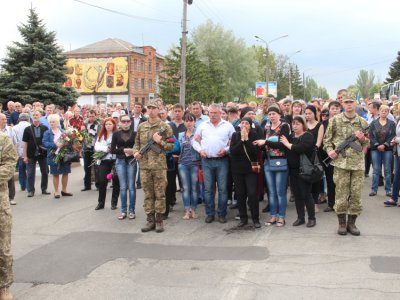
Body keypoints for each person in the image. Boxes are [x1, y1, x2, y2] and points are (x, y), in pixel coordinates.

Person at [323, 94, 369, 236]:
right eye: (346, 102)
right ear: (343, 104)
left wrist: (362, 140)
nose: (349, 104)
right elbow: (327, 141)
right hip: (341, 164)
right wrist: (330, 151)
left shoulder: (362, 122)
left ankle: (352, 223)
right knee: (341, 194)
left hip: (357, 164)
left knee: (355, 195)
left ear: (355, 103)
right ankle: (342, 223)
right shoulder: (335, 121)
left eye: (351, 102)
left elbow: (367, 144)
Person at [133, 99, 174, 233]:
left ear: (159, 110)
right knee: (148, 194)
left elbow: (171, 146)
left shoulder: (165, 127)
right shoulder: (141, 126)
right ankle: (150, 220)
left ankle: (159, 220)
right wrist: (136, 153)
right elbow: (136, 144)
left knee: (160, 194)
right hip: (145, 166)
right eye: (149, 108)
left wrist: (160, 141)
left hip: (159, 166)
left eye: (154, 108)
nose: (151, 110)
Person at [192, 104, 235, 224]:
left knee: (222, 189)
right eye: (211, 113)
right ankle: (210, 213)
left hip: (222, 161)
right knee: (208, 189)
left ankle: (222, 213)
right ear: (208, 113)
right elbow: (194, 141)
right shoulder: (202, 125)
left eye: (215, 113)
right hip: (206, 161)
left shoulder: (228, 126)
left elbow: (234, 141)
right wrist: (200, 150)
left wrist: (226, 149)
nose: (213, 115)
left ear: (220, 113)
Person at [254, 106, 290, 227]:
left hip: (280, 161)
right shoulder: (266, 127)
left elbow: (282, 145)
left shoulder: (284, 126)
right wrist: (260, 144)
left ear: (279, 115)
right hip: (268, 162)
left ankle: (281, 217)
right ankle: (273, 216)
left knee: (280, 192)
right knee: (271, 192)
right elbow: (265, 145)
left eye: (274, 114)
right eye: (269, 114)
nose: (271, 116)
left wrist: (266, 142)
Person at [280, 116, 316, 227]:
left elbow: (300, 148)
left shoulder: (308, 136)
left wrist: (287, 144)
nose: (294, 126)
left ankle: (311, 218)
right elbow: (280, 145)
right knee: (297, 195)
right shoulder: (290, 136)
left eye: (297, 124)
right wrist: (266, 141)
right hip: (293, 170)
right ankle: (300, 218)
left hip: (305, 170)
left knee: (306, 194)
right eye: (293, 123)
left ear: (303, 125)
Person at [230, 117, 261, 228]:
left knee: (252, 194)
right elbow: (233, 152)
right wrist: (241, 141)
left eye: (246, 123)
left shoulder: (254, 135)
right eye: (242, 123)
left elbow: (255, 152)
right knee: (240, 194)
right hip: (237, 169)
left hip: (250, 169)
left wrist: (247, 140)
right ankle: (243, 218)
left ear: (250, 125)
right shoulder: (235, 135)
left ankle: (255, 218)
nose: (244, 125)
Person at [0, 131, 18, 300]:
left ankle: (4, 286)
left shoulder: (3, 139)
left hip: (0, 205)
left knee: (2, 249)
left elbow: (10, 165)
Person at [111, 114, 137, 219]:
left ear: (130, 122)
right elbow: (112, 150)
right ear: (120, 122)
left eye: (127, 121)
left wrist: (133, 151)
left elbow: (139, 147)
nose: (126, 123)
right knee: (122, 187)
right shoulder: (116, 134)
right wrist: (124, 150)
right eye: (123, 121)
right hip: (120, 161)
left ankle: (131, 210)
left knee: (131, 187)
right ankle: (123, 211)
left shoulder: (135, 134)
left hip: (131, 161)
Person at [368, 105, 396, 197]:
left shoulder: (392, 123)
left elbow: (392, 135)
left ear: (388, 113)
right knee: (376, 170)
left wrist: (384, 145)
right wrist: (377, 145)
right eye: (382, 111)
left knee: (387, 170)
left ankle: (388, 190)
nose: (383, 112)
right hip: (375, 149)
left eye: (386, 111)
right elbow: (371, 136)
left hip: (387, 149)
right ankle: (374, 190)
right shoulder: (373, 123)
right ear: (379, 111)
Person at [21, 111, 49, 197]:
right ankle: (30, 190)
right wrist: (25, 156)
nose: (35, 116)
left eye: (37, 115)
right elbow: (24, 143)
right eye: (33, 115)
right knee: (30, 173)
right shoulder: (27, 129)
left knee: (45, 172)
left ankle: (44, 189)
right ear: (31, 117)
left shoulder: (45, 128)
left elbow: (47, 141)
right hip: (30, 154)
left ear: (40, 116)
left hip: (43, 154)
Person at [178, 113, 200, 219]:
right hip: (183, 164)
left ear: (194, 122)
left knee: (194, 188)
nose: (188, 123)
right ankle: (187, 210)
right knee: (185, 188)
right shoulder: (181, 135)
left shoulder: (198, 134)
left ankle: (194, 210)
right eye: (186, 121)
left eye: (191, 120)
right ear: (184, 122)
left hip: (195, 163)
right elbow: (178, 149)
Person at [94, 117, 120, 210]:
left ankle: (114, 202)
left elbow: (119, 146)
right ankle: (101, 203)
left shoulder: (117, 134)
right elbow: (97, 146)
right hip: (104, 160)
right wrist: (106, 149)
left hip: (115, 160)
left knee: (116, 181)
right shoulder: (101, 135)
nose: (108, 126)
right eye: (106, 124)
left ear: (114, 125)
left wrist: (113, 148)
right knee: (102, 181)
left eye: (110, 124)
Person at [305, 105, 325, 212]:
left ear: (314, 114)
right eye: (306, 113)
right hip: (304, 156)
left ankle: (315, 203)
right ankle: (307, 203)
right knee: (306, 179)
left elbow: (319, 142)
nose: (308, 115)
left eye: (310, 113)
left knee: (316, 180)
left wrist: (312, 149)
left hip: (316, 155)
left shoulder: (319, 125)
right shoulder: (304, 125)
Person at [0, 113, 18, 206]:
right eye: (2, 119)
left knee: (10, 178)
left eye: (5, 119)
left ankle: (11, 197)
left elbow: (15, 143)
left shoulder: (10, 130)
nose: (5, 121)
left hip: (7, 157)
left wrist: (14, 154)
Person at [81, 110, 100, 191]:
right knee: (87, 168)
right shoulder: (84, 124)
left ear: (96, 116)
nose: (91, 118)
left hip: (95, 148)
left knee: (97, 168)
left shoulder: (99, 125)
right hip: (87, 148)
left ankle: (98, 185)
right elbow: (81, 137)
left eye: (93, 116)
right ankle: (87, 185)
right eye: (90, 116)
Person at [13, 113, 31, 192]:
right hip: (29, 150)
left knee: (21, 169)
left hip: (19, 150)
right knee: (29, 168)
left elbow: (14, 141)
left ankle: (22, 185)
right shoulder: (30, 126)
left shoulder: (15, 128)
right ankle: (28, 185)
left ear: (19, 119)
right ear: (28, 119)